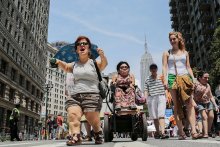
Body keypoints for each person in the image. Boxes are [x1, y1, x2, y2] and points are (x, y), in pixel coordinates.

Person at [50, 35, 107, 145]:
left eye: (85, 43)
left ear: (89, 48)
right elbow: (66, 67)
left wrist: (102, 56)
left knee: (92, 118)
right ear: (76, 49)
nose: (82, 45)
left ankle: (97, 132)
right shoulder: (75, 64)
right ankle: (76, 137)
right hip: (75, 95)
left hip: (92, 94)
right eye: (79, 44)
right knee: (73, 115)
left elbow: (104, 65)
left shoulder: (94, 63)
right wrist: (57, 62)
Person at [162, 31, 201, 140]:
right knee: (177, 105)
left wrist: (193, 79)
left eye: (174, 38)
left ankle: (193, 131)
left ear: (179, 39)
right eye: (170, 39)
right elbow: (164, 67)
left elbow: (188, 67)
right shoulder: (167, 53)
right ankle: (181, 132)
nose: (172, 41)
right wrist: (165, 80)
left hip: (185, 78)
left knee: (189, 105)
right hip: (172, 78)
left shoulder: (185, 53)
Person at [144, 63, 169, 139]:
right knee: (154, 116)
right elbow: (146, 90)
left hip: (161, 96)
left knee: (161, 115)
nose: (153, 70)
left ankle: (163, 132)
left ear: (157, 69)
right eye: (152, 68)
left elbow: (166, 88)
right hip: (151, 98)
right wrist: (145, 99)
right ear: (150, 70)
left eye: (155, 68)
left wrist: (167, 96)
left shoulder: (161, 77)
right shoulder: (147, 79)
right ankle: (157, 132)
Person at [194, 71, 219, 138]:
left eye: (208, 78)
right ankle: (205, 134)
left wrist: (215, 105)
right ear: (199, 78)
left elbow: (211, 96)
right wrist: (193, 103)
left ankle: (208, 131)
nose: (207, 79)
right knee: (204, 117)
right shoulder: (195, 84)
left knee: (211, 116)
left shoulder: (208, 85)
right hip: (199, 103)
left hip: (208, 102)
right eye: (205, 77)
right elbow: (191, 95)